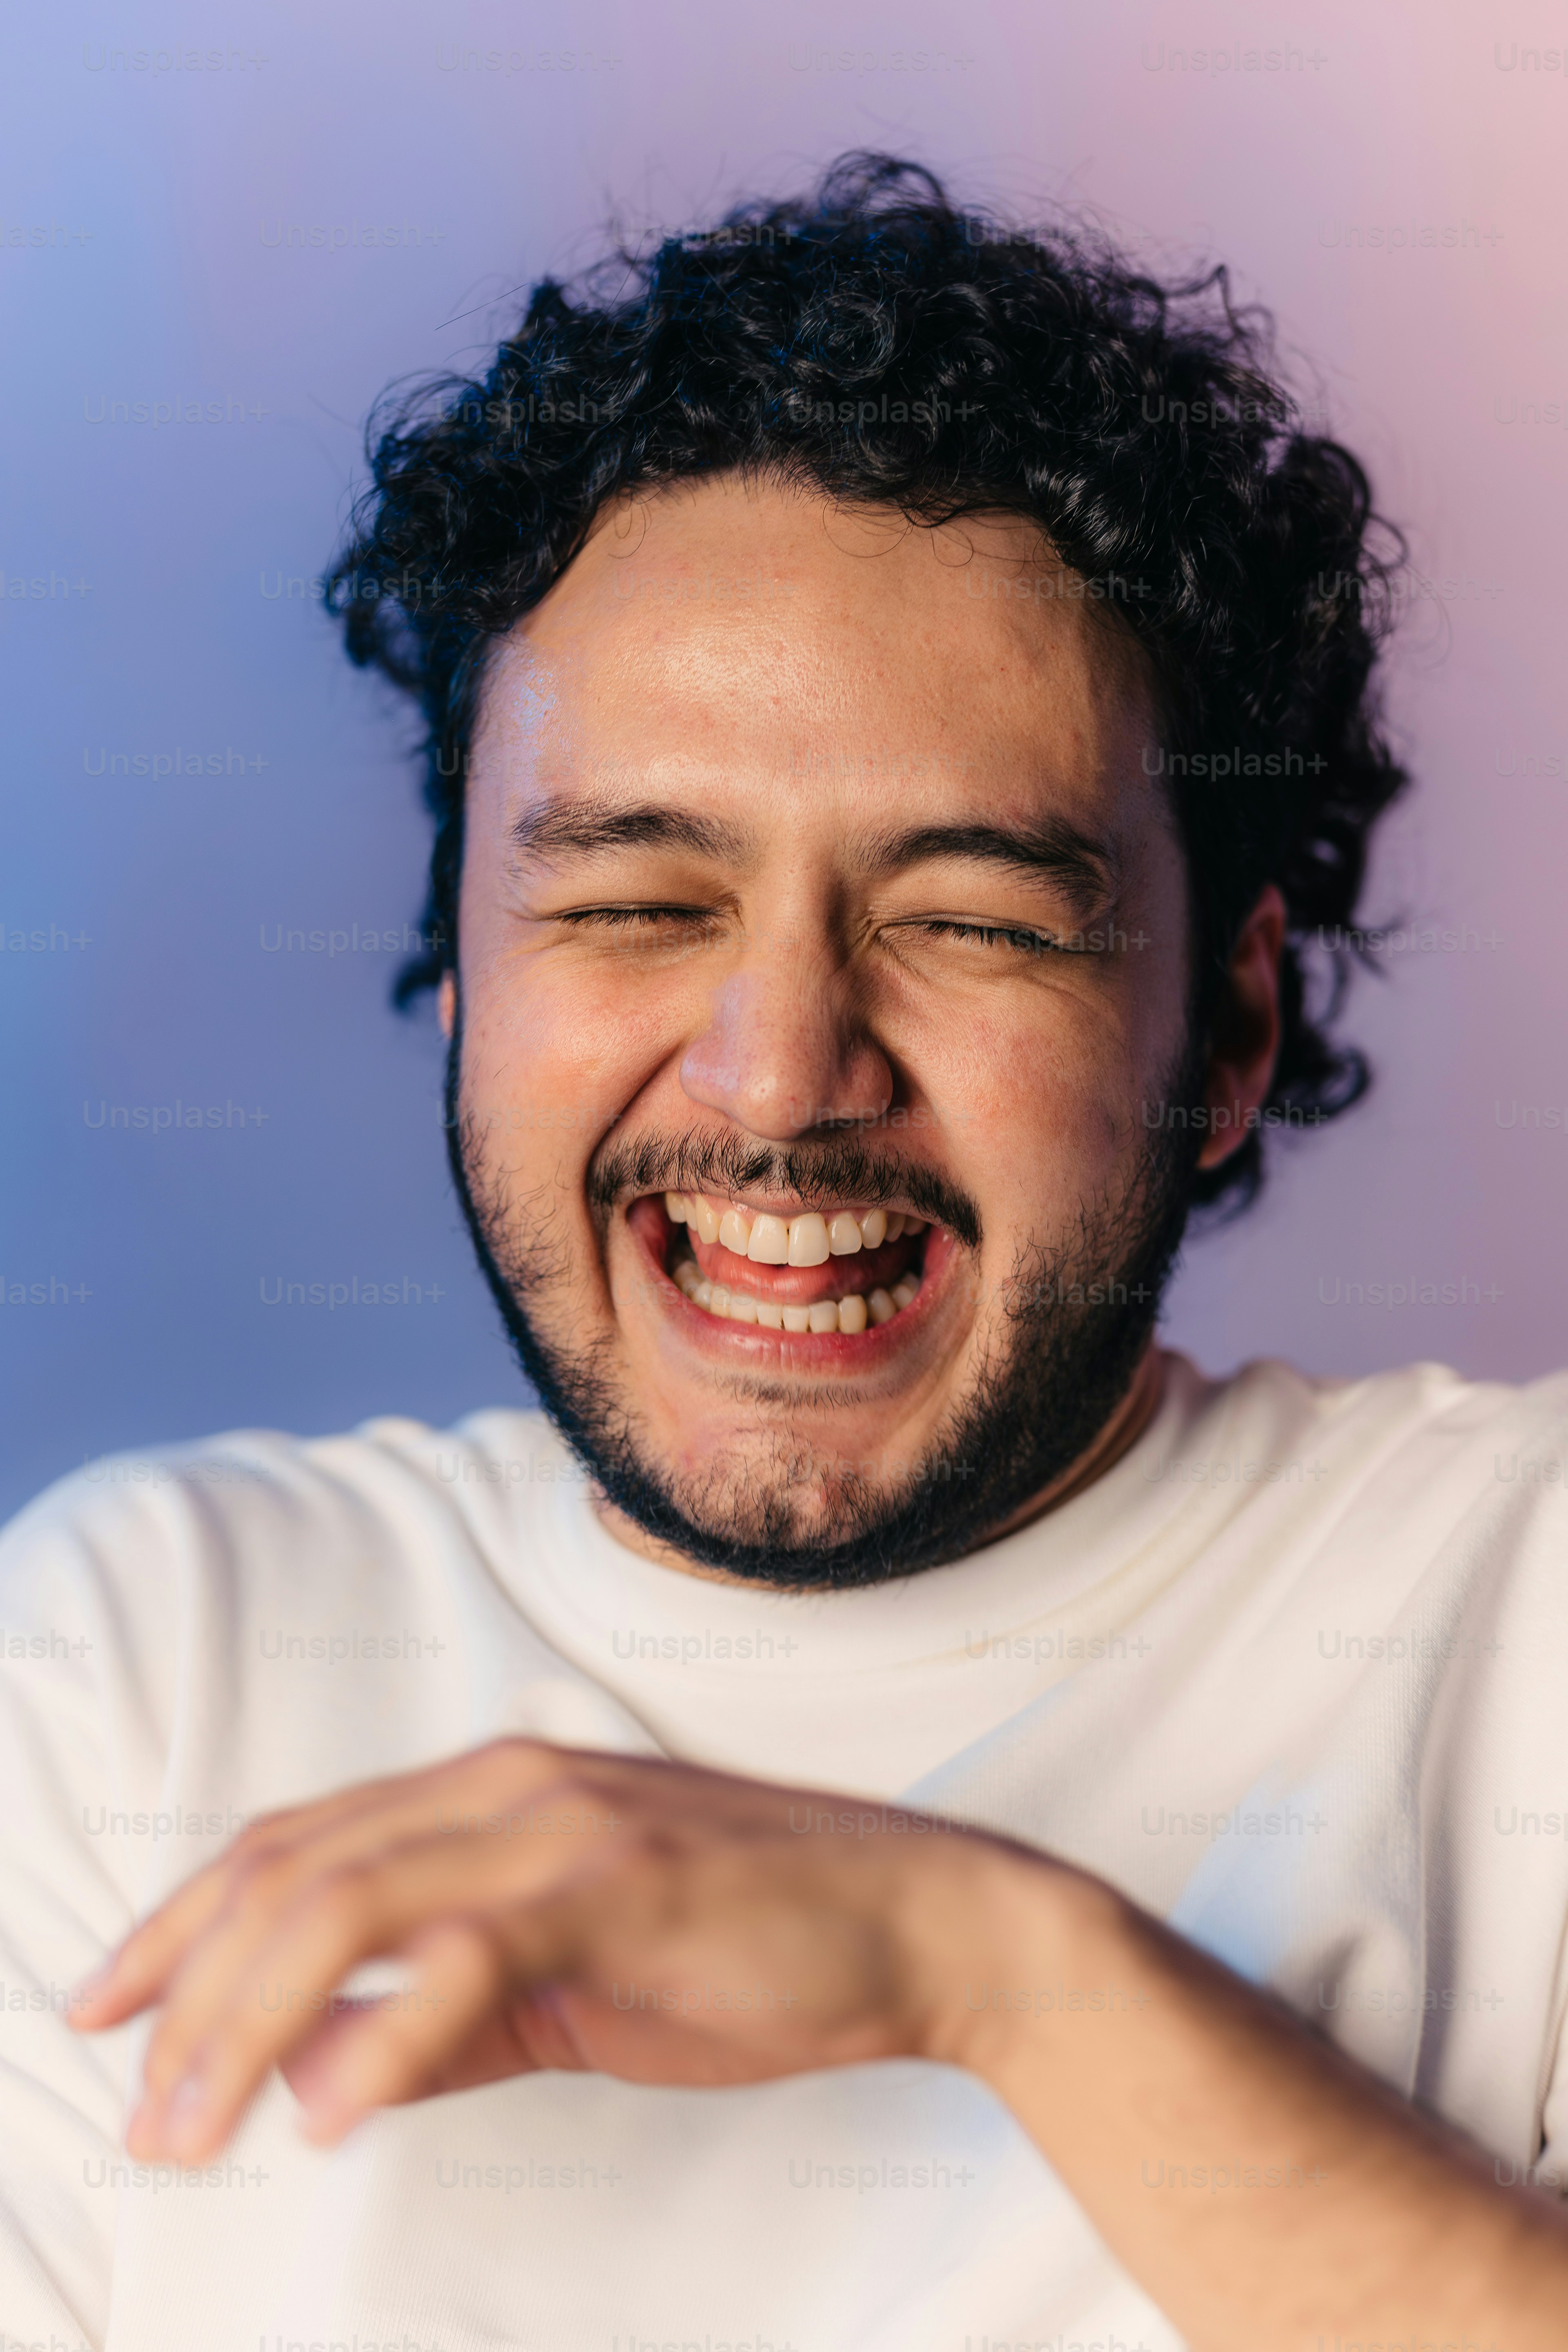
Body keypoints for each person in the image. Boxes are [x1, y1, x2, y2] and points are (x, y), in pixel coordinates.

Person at [3, 154, 1564, 2352]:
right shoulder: (132, 1667)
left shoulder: (1525, 1613)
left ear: (1225, 1026)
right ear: (456, 985)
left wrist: (993, 1968)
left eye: (971, 917)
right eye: (637, 899)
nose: (776, 1075)